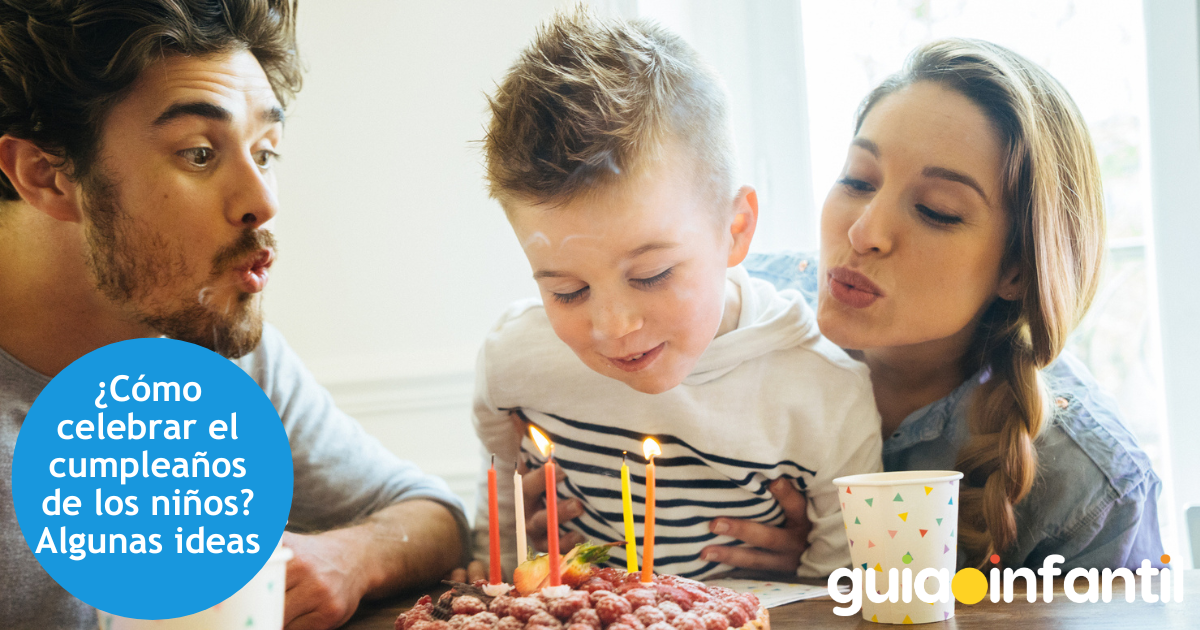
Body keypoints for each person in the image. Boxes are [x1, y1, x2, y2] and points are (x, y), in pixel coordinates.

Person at [0, 2, 468, 628]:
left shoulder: (217, 345)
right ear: (46, 176)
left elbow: (432, 513)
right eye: (199, 153)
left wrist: (350, 556)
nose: (263, 201)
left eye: (265, 151)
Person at [468, 9, 882, 582]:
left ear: (735, 229)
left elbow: (842, 591)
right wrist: (512, 557)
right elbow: (501, 534)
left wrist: (799, 575)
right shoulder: (515, 362)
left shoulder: (825, 397)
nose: (613, 326)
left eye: (652, 274)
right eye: (568, 291)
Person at [731, 38, 1164, 571]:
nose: (864, 232)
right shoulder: (722, 313)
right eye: (857, 180)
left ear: (1017, 269)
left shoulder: (1092, 489)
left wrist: (826, 582)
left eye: (936, 211)